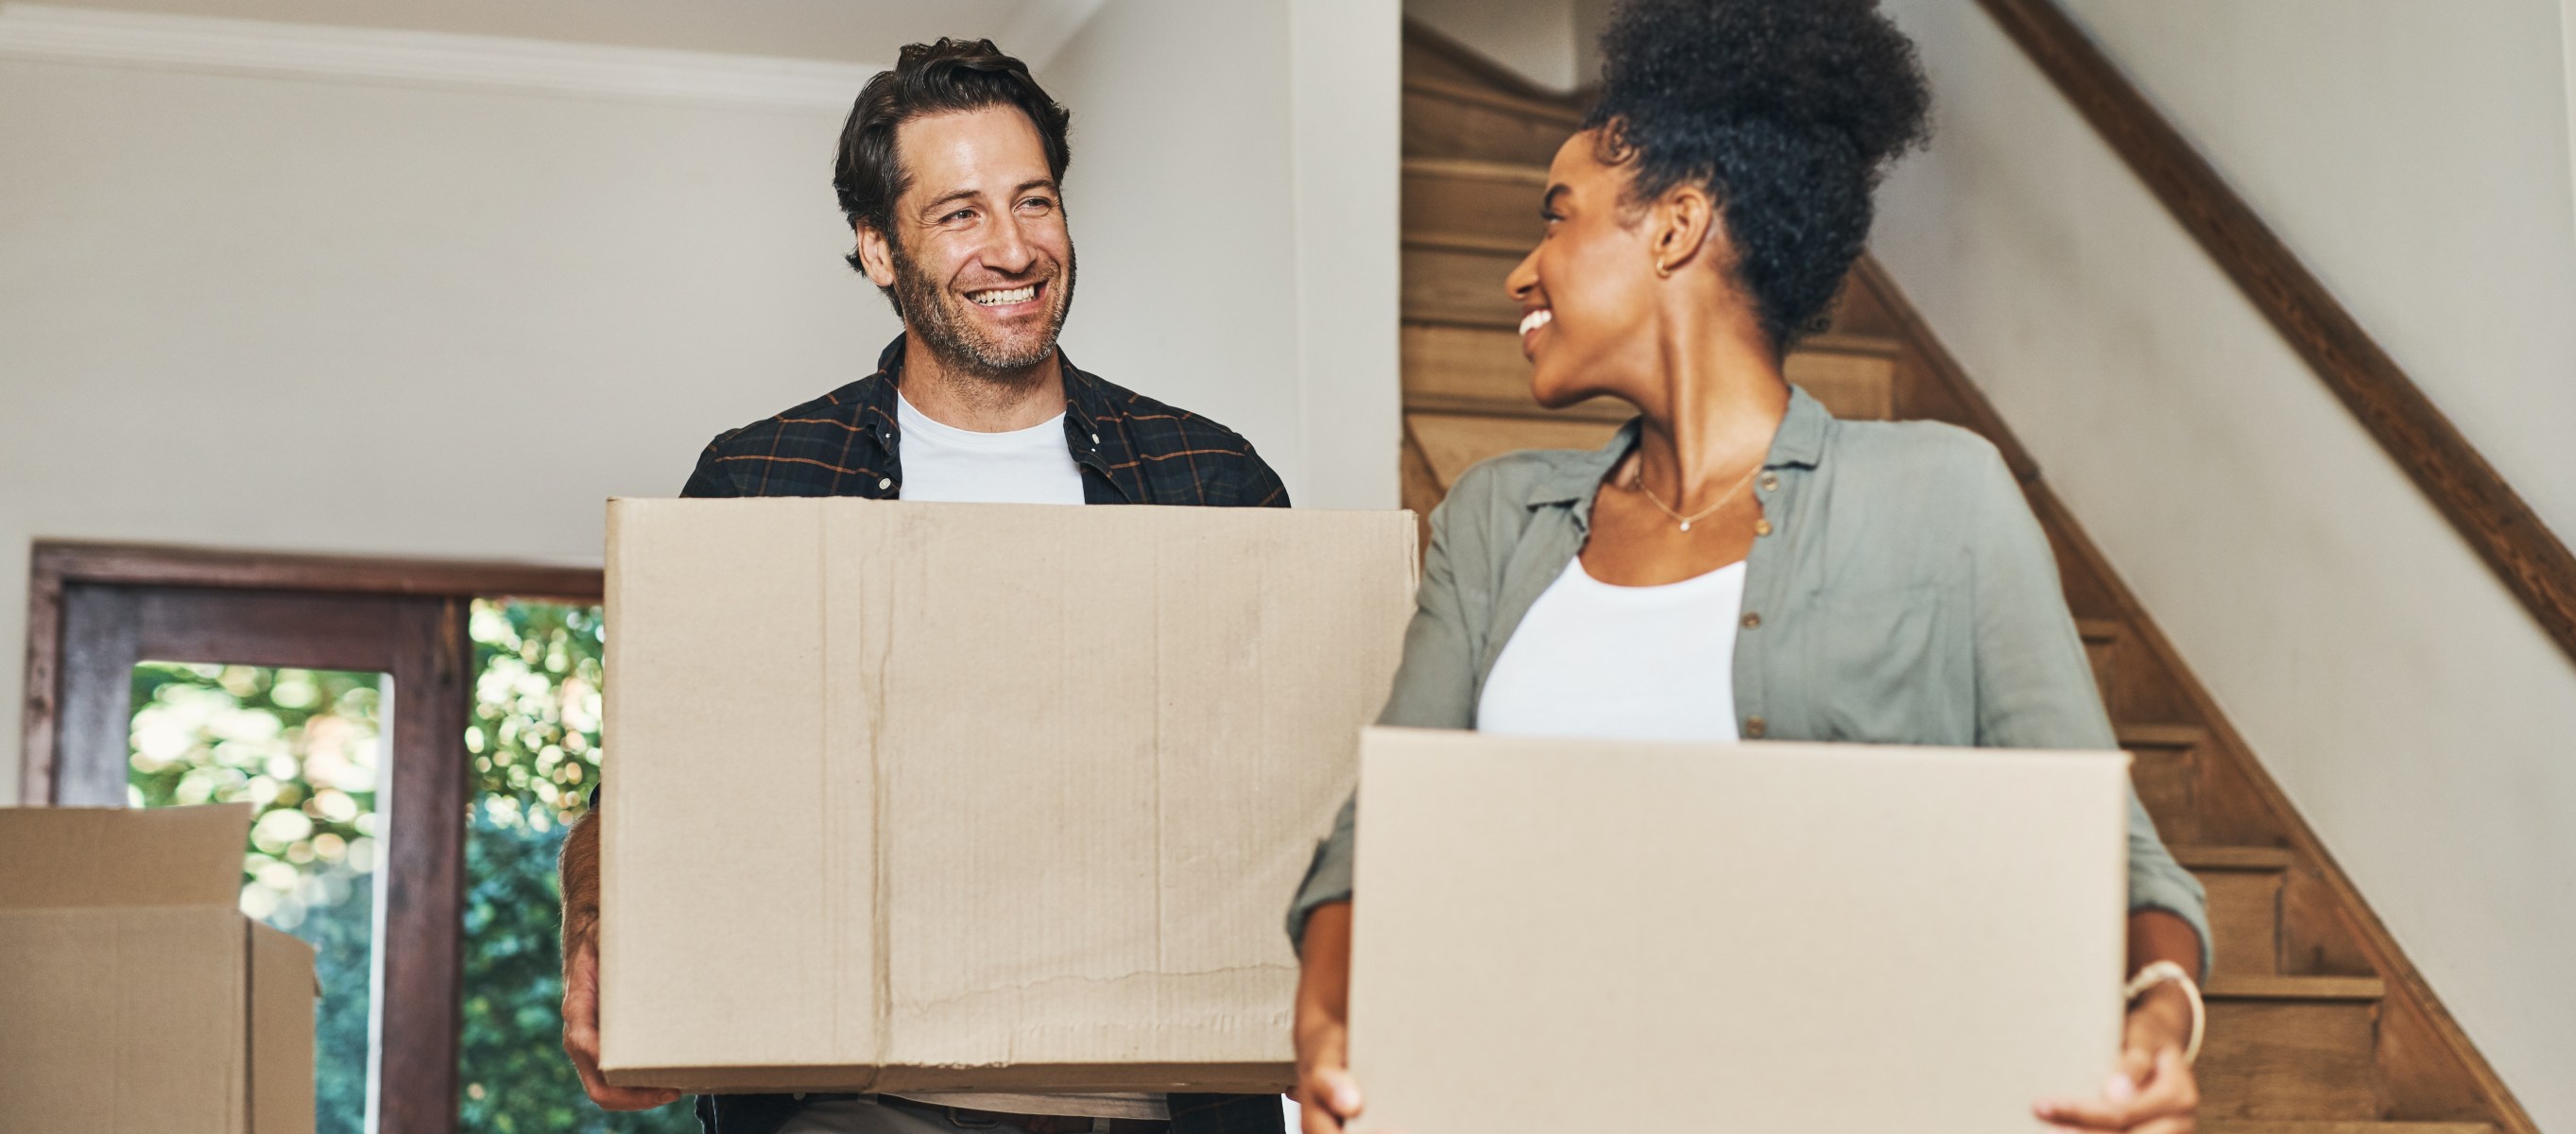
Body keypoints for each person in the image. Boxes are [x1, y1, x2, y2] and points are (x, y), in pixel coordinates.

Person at [1282, 2, 2210, 1133]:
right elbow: (1377, 837)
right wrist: (1326, 1026)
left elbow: (2118, 860)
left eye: (1558, 218)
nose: (1521, 275)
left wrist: (2156, 1026)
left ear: (1674, 226)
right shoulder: (1496, 519)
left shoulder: (1939, 499)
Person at [556, 38, 1291, 1134]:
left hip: (1144, 1096)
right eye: (959, 215)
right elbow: (656, 784)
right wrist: (600, 932)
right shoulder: (761, 481)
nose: (1013, 249)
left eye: (1033, 202)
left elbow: (1292, 791)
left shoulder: (1209, 480)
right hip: (847, 1096)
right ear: (880, 249)